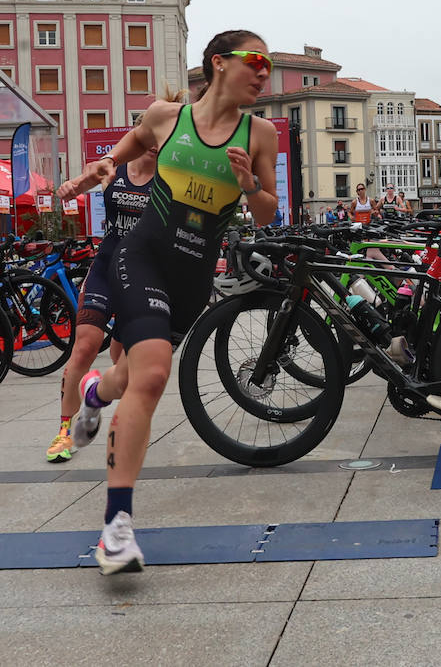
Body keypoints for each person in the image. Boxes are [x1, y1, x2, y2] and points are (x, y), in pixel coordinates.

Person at [56, 31, 279, 575]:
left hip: (194, 274)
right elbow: (131, 143)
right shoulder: (166, 116)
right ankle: (115, 529)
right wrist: (102, 165)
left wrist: (250, 186)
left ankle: (93, 395)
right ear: (219, 63)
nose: (264, 74)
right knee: (153, 376)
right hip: (145, 255)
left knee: (130, 377)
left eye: (270, 67)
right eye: (257, 62)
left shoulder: (261, 133)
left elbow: (269, 212)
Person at [43, 126, 159, 462]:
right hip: (106, 268)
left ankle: (99, 405)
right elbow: (82, 182)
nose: (154, 146)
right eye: (149, 139)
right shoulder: (113, 168)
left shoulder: (167, 179)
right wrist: (70, 188)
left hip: (140, 277)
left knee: (123, 367)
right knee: (83, 347)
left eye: (161, 141)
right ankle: (64, 431)